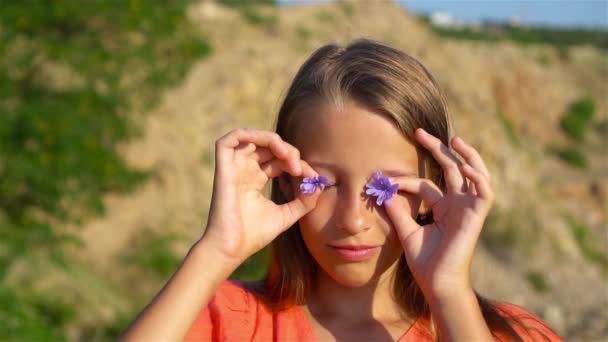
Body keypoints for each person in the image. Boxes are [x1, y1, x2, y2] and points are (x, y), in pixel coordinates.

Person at [120, 39, 561, 341]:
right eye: (324, 182)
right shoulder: (225, 320)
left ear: (435, 187)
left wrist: (449, 294)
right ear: (287, 179)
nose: (352, 219)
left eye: (384, 186)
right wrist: (217, 250)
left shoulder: (512, 332)